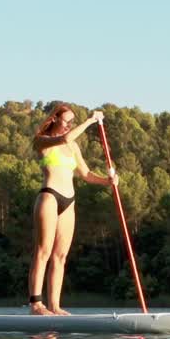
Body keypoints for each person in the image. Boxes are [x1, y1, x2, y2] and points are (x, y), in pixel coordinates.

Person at [29, 105, 117, 315]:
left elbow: (86, 174)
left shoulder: (73, 147)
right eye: (66, 121)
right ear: (54, 120)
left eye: (71, 122)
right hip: (49, 196)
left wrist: (108, 181)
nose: (69, 125)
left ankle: (55, 306)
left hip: (69, 201)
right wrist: (90, 121)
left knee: (60, 256)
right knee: (44, 251)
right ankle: (36, 304)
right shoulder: (42, 141)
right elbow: (66, 138)